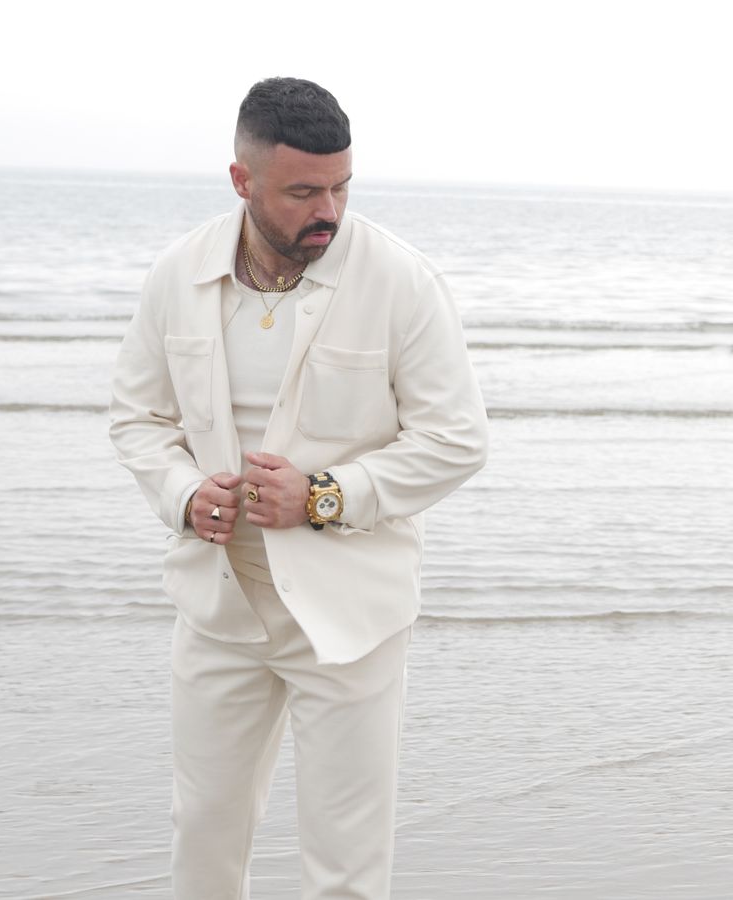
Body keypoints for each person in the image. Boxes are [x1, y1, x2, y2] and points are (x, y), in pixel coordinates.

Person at [108, 76, 488, 899]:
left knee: (346, 863)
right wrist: (182, 494)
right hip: (219, 607)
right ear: (242, 180)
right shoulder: (177, 273)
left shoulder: (402, 280)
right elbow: (138, 417)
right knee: (203, 833)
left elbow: (457, 440)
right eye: (304, 192)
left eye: (342, 186)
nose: (330, 211)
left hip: (351, 614)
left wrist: (324, 495)